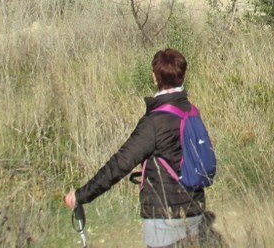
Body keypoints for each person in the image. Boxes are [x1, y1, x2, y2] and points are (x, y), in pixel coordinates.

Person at [63, 49, 207, 247]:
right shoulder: (191, 111)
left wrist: (81, 195)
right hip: (195, 210)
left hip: (164, 216)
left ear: (154, 77)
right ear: (183, 76)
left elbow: (120, 164)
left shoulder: (154, 122)